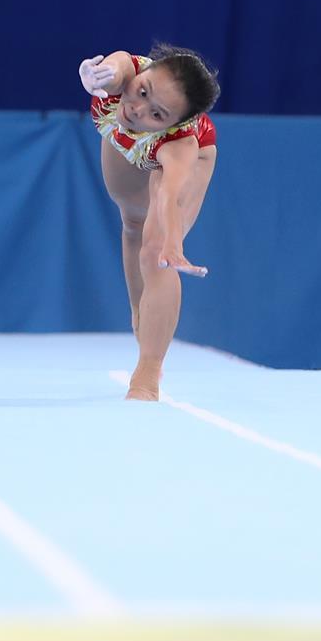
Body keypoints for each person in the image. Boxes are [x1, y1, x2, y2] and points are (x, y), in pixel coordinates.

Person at [79, 44, 220, 401]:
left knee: (155, 252)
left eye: (156, 114)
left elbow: (168, 196)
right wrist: (99, 74)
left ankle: (147, 374)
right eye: (143, 91)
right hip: (130, 143)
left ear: (172, 123)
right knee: (132, 221)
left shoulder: (179, 144)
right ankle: (142, 316)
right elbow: (118, 65)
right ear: (145, 71)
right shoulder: (125, 79)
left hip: (178, 158)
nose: (138, 108)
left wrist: (173, 244)